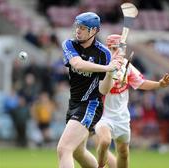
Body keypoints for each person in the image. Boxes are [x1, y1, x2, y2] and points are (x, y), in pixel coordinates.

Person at [95, 34, 169, 168]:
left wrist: (159, 84)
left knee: (123, 152)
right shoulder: (101, 66)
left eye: (118, 49)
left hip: (121, 117)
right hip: (103, 116)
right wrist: (111, 72)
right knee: (104, 141)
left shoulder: (127, 66)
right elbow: (103, 89)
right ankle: (100, 165)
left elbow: (141, 83)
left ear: (124, 50)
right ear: (106, 49)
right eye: (112, 49)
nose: (115, 52)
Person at [57, 12, 123, 168]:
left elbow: (104, 90)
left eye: (83, 28)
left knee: (64, 149)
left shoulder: (104, 54)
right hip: (74, 103)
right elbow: (77, 64)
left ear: (93, 31)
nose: (78, 30)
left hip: (90, 105)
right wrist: (107, 67)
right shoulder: (69, 44)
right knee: (78, 152)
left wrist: (110, 73)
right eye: (77, 26)